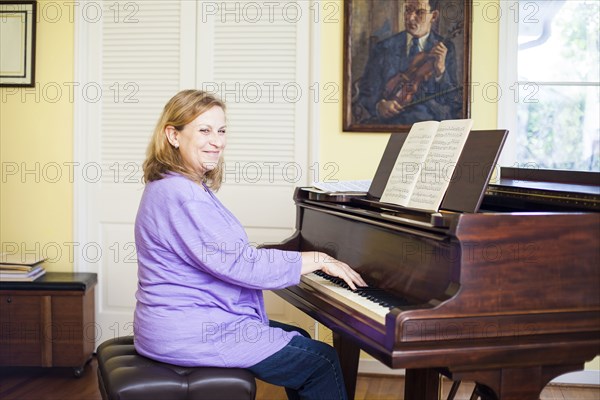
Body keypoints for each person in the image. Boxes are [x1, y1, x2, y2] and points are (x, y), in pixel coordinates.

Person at [133, 89, 367, 400]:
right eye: (204, 130)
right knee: (321, 362)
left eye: (222, 130)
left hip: (177, 325)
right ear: (173, 135)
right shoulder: (183, 195)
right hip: (191, 332)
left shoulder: (172, 186)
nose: (217, 141)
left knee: (297, 336)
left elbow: (229, 258)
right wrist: (319, 259)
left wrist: (302, 262)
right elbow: (240, 264)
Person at [354, 0, 462, 125]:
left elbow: (453, 100)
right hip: (390, 125)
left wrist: (440, 71)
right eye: (408, 10)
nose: (410, 17)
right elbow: (366, 91)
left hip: (430, 124)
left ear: (434, 16)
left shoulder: (446, 48)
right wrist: (379, 106)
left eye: (419, 12)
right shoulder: (383, 47)